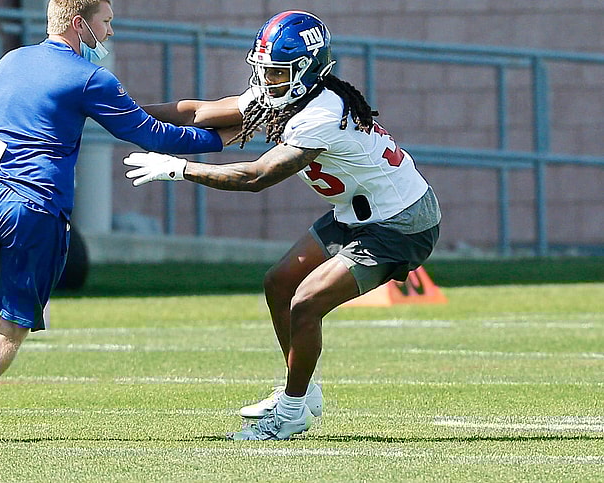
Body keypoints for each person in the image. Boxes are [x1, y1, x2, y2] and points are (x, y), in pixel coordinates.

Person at [0, 0, 237, 441]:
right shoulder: (88, 76)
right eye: (107, 22)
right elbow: (148, 133)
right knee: (12, 328)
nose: (110, 33)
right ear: (80, 23)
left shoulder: (11, 60)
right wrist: (219, 140)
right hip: (35, 205)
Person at [126, 11, 441, 440]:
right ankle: (302, 390)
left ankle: (292, 412)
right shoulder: (287, 96)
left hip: (399, 223)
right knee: (279, 283)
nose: (267, 82)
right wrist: (118, 116)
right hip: (356, 212)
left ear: (308, 71)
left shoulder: (322, 113)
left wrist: (180, 170)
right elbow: (198, 112)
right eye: (264, 71)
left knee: (306, 302)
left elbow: (257, 177)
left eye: (277, 73)